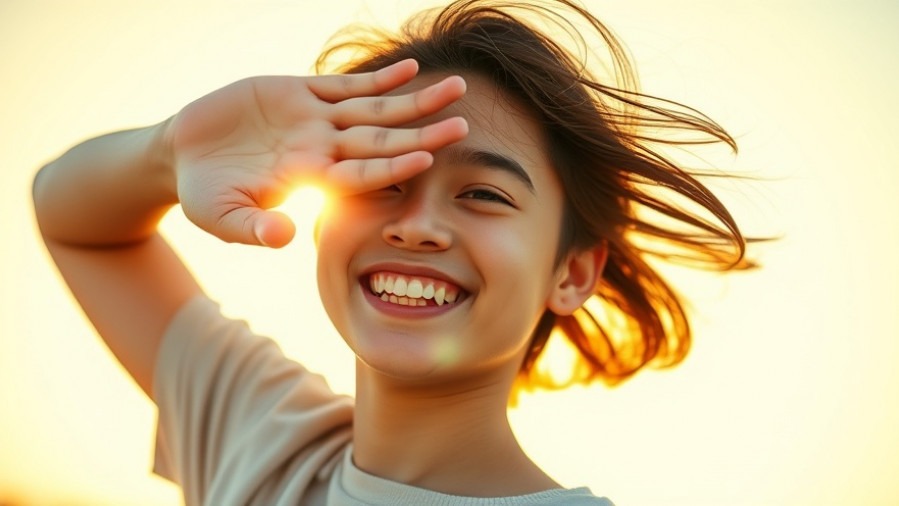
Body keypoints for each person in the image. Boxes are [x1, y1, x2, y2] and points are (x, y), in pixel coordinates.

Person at [33, 0, 754, 504]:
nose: (416, 226)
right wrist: (170, 151)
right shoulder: (263, 442)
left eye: (483, 195)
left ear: (569, 273)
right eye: (381, 181)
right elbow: (68, 212)